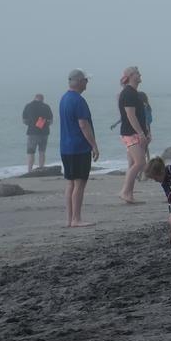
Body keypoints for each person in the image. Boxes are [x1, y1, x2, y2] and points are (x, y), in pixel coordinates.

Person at [59, 69, 99, 227]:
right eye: (85, 80)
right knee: (79, 183)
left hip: (66, 148)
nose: (87, 83)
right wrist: (94, 145)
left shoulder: (64, 98)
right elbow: (83, 124)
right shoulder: (78, 100)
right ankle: (76, 219)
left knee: (71, 183)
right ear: (79, 81)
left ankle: (70, 219)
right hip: (78, 147)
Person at [117, 66, 151, 204]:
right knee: (140, 162)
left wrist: (146, 131)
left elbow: (140, 115)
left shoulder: (133, 92)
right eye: (137, 73)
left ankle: (128, 194)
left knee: (132, 163)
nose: (140, 74)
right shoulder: (128, 93)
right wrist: (141, 133)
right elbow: (130, 115)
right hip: (130, 133)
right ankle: (125, 192)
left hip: (133, 132)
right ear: (131, 76)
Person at [22, 94, 53, 171]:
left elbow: (24, 120)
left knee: (31, 152)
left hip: (32, 132)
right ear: (42, 99)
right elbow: (51, 121)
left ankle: (29, 170)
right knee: (42, 152)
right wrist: (44, 124)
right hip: (44, 133)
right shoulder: (46, 107)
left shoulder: (28, 106)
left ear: (35, 98)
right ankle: (41, 168)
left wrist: (31, 124)